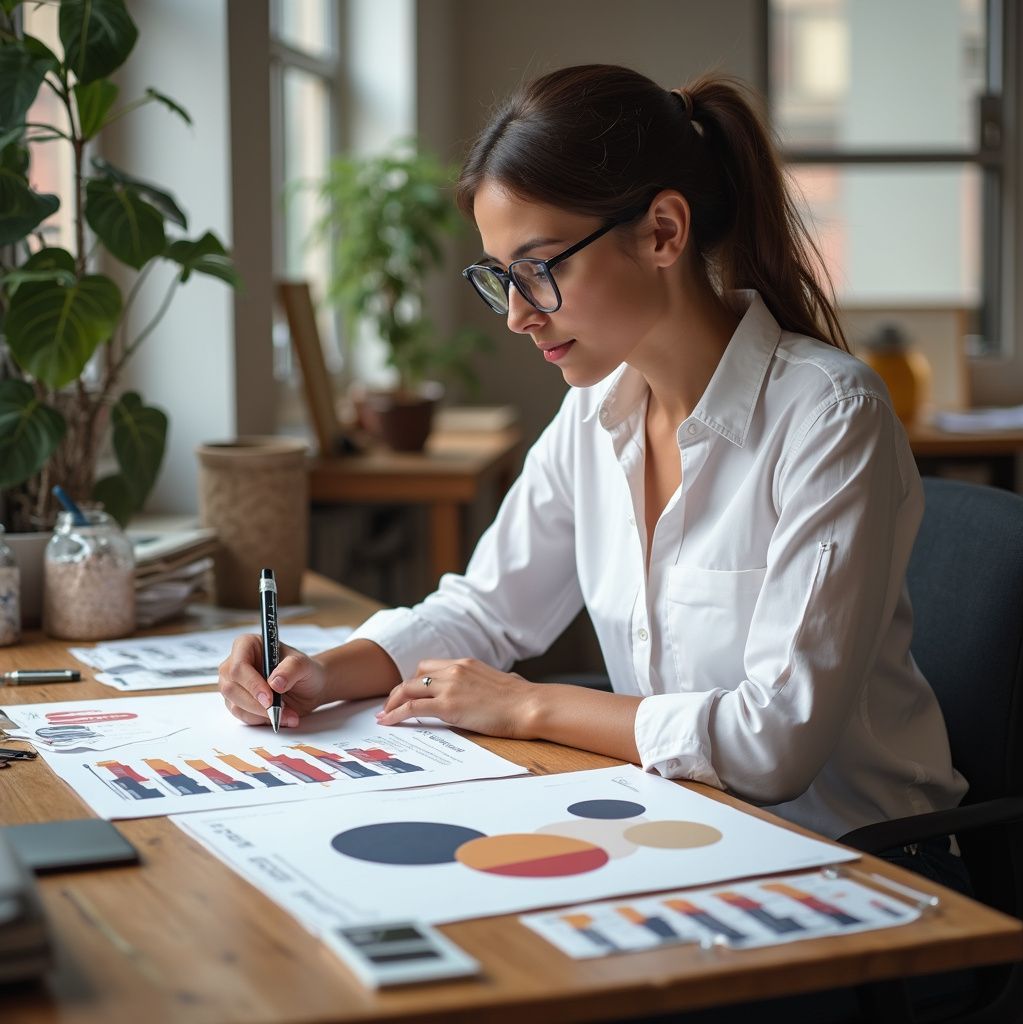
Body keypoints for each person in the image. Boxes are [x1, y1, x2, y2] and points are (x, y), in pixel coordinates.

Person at [219, 64, 967, 892]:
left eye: (538, 268)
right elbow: (486, 608)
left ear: (661, 233)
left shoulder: (829, 416)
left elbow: (772, 742)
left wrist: (526, 706)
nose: (516, 313)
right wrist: (325, 671)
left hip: (867, 870)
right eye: (499, 276)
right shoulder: (596, 413)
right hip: (693, 837)